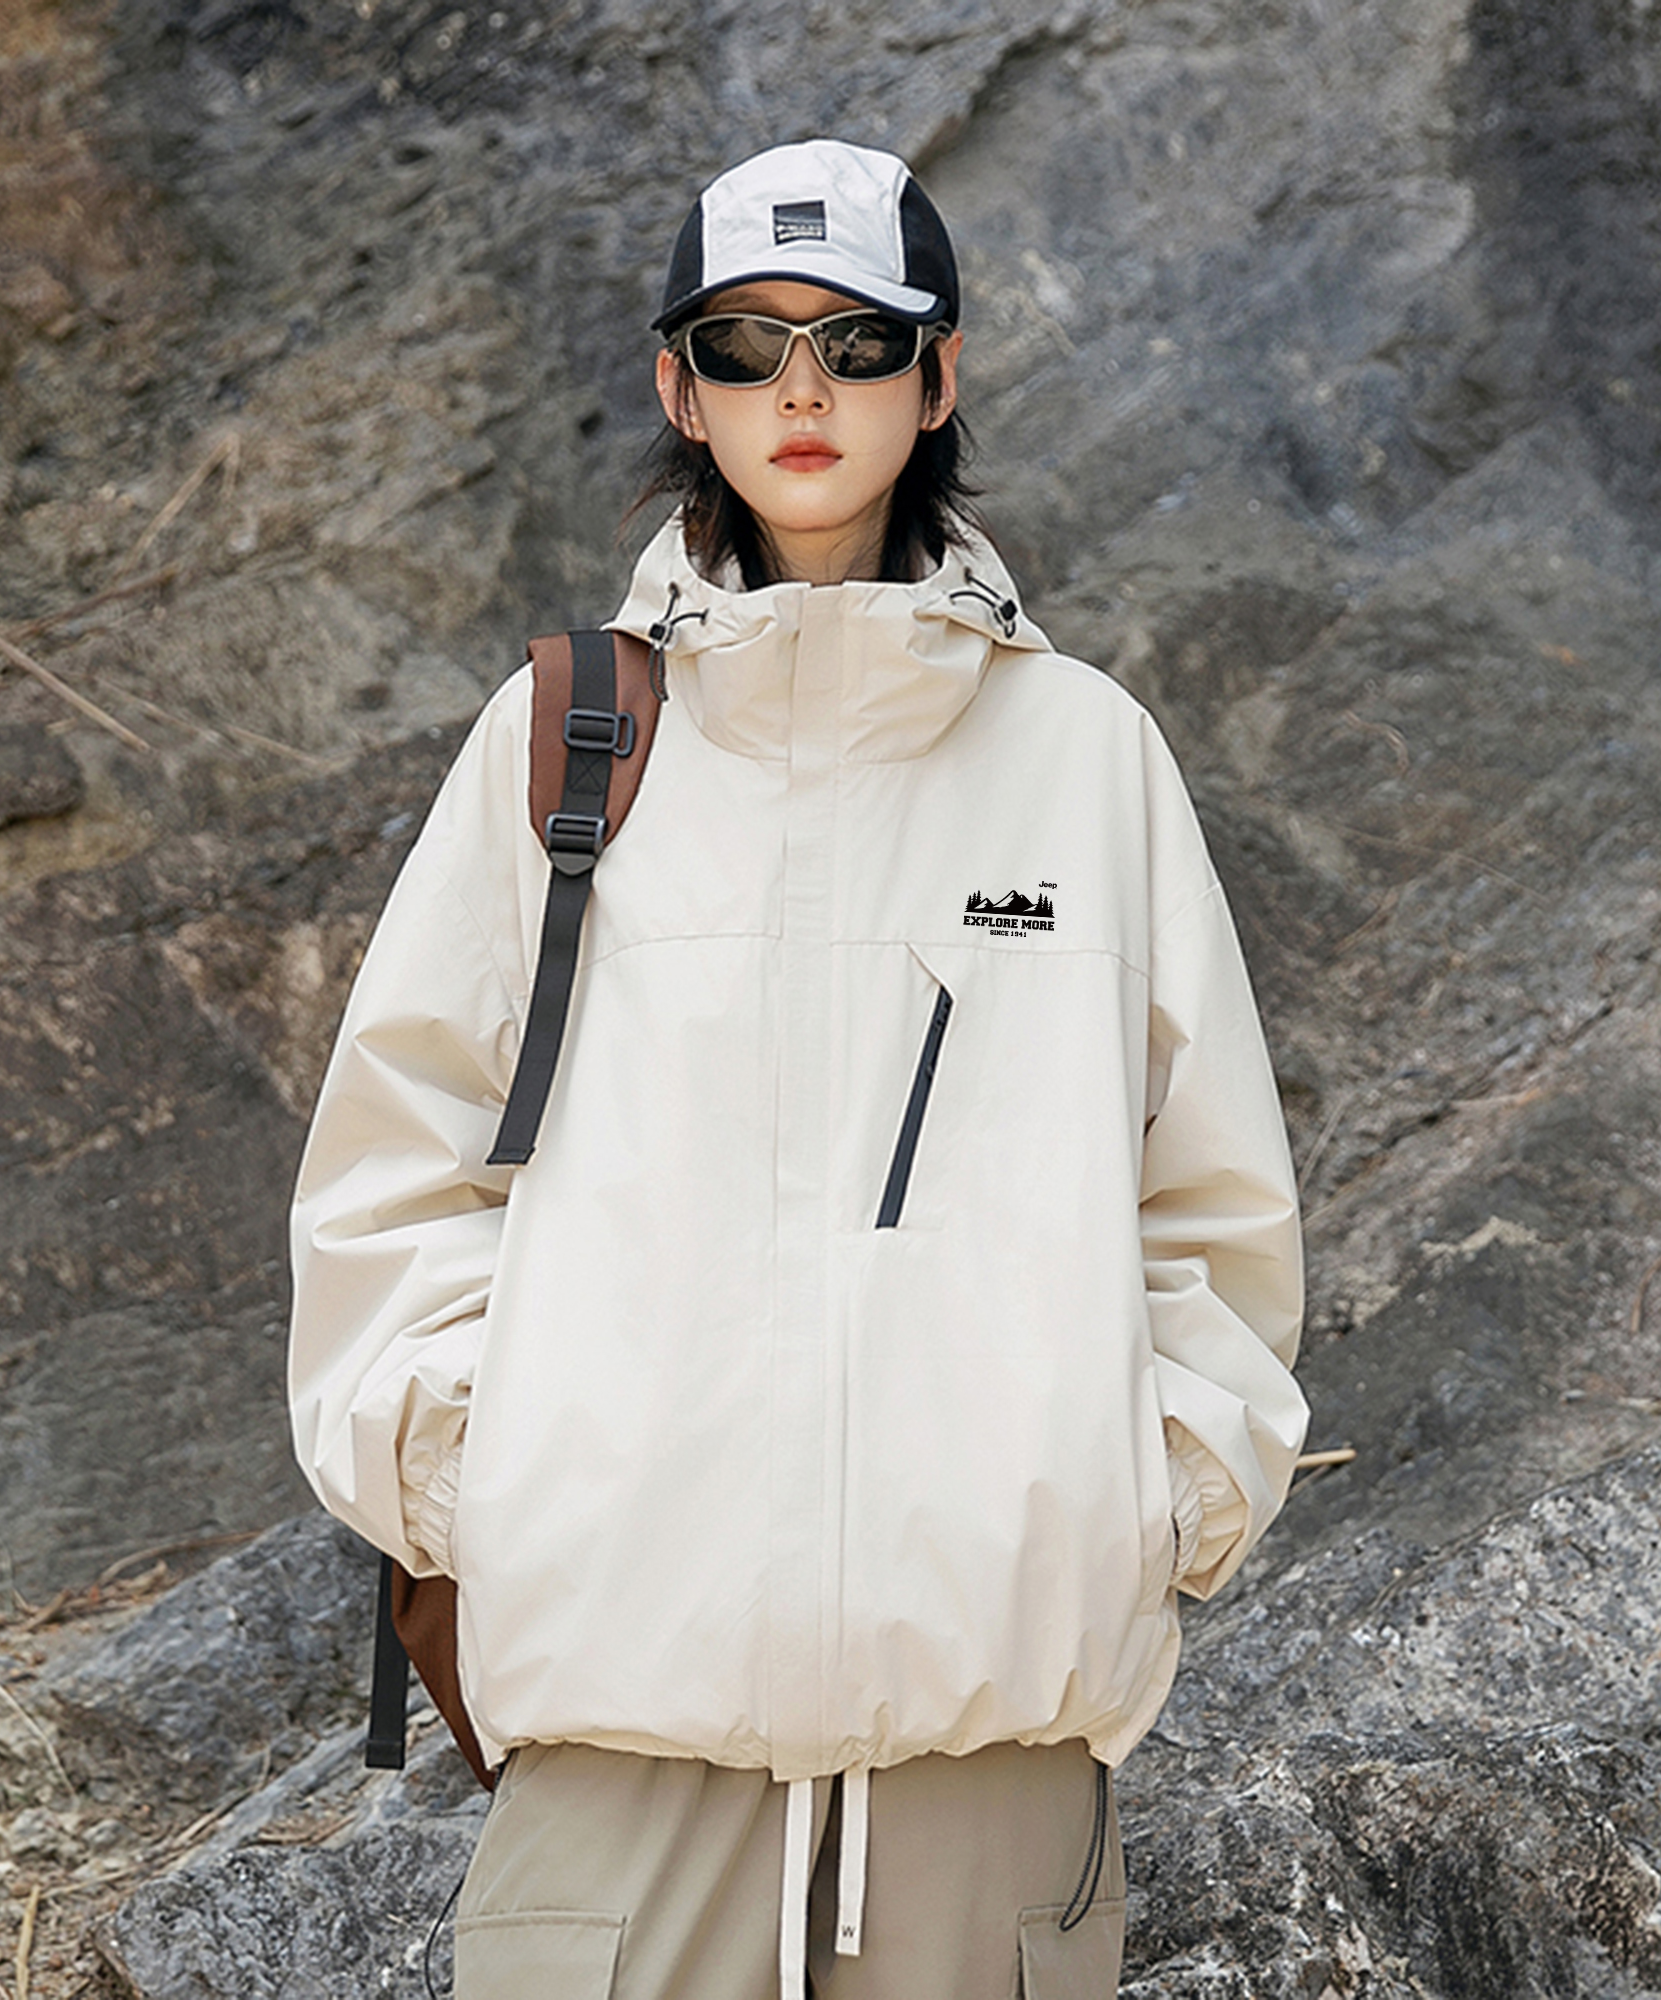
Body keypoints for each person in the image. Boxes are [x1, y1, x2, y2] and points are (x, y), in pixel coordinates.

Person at [288, 137, 1309, 2000]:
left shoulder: (1088, 756)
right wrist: (496, 1482)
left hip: (987, 1747)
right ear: (681, 390)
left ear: (942, 373)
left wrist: (1140, 1505)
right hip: (625, 1730)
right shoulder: (563, 741)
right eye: (746, 347)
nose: (805, 390)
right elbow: (394, 1165)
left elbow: (1213, 1208)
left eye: (857, 340)